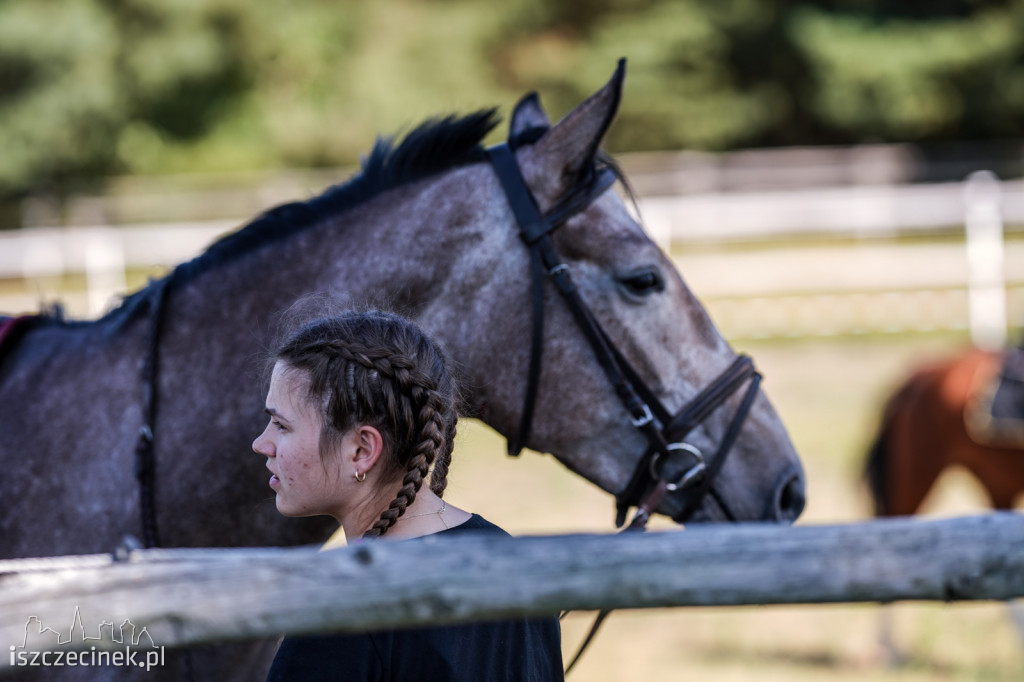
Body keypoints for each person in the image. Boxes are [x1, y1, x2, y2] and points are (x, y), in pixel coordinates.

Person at [252, 310, 564, 681]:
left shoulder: (339, 612)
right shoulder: (518, 565)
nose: (261, 444)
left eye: (281, 425)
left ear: (362, 450)